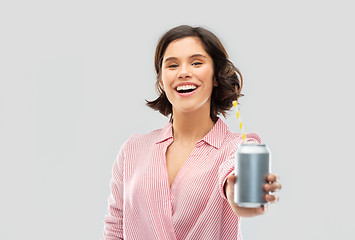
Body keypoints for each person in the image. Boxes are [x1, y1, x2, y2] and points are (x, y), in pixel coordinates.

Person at [102, 25, 281, 240]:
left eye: (196, 63)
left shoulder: (236, 150)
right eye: (172, 65)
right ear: (161, 80)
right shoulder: (133, 149)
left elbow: (240, 191)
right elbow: (115, 228)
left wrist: (242, 196)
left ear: (216, 76)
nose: (183, 72)